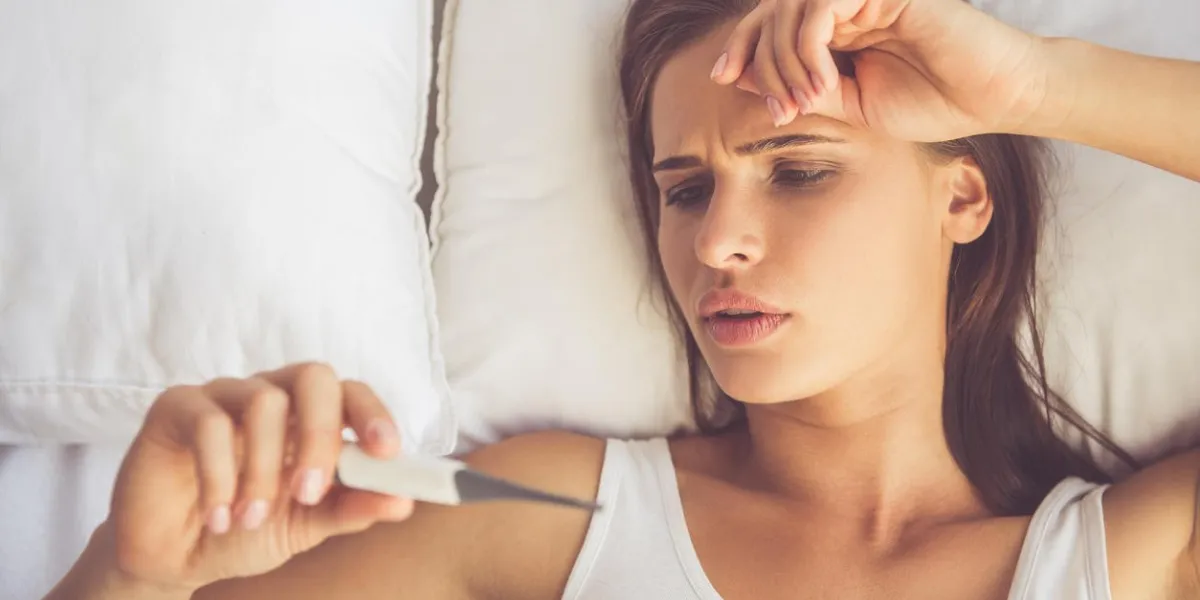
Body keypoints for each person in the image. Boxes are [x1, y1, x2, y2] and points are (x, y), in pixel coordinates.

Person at [46, 0, 1200, 598]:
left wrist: (1043, 83)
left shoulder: (1122, 563)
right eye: (684, 188)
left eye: (799, 170)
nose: (721, 243)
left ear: (963, 198)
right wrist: (131, 574)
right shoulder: (548, 515)